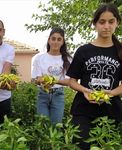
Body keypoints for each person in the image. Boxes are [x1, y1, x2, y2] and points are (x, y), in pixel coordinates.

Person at [66, 3, 122, 150]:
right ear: (95, 24)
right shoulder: (84, 51)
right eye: (102, 22)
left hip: (111, 112)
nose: (106, 26)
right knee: (82, 145)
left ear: (117, 22)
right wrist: (85, 90)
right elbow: (72, 81)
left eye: (111, 22)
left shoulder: (120, 51)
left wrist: (111, 93)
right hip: (83, 110)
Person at [31, 27, 71, 124]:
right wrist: (39, 80)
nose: (55, 42)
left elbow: (69, 82)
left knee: (56, 126)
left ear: (63, 42)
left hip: (58, 94)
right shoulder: (39, 58)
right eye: (53, 39)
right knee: (42, 125)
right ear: (49, 40)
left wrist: (52, 81)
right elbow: (34, 79)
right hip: (42, 94)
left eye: (59, 39)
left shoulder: (68, 59)